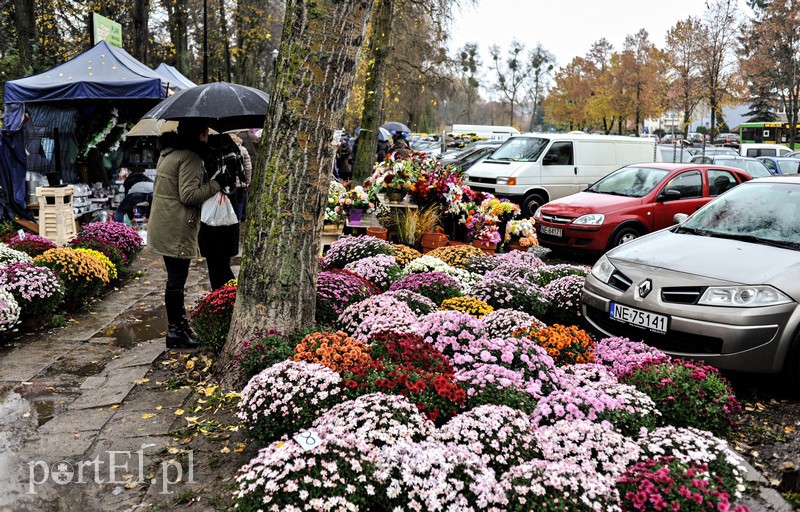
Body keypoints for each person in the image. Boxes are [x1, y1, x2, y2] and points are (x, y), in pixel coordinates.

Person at [148, 120, 231, 349]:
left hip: (163, 223)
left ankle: (180, 327)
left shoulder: (168, 153)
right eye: (205, 132)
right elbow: (188, 195)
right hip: (176, 225)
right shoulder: (191, 158)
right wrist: (216, 183)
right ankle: (176, 330)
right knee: (176, 280)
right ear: (200, 135)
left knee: (175, 279)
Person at [199, 133, 242, 290]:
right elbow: (243, 175)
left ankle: (224, 299)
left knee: (216, 267)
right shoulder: (233, 155)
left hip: (212, 219)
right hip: (229, 215)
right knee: (223, 264)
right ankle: (226, 298)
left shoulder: (208, 158)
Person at [229, 133, 252, 221]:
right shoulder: (243, 149)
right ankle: (238, 220)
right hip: (241, 182)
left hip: (228, 183)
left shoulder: (225, 149)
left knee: (231, 202)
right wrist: (247, 181)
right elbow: (248, 167)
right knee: (240, 201)